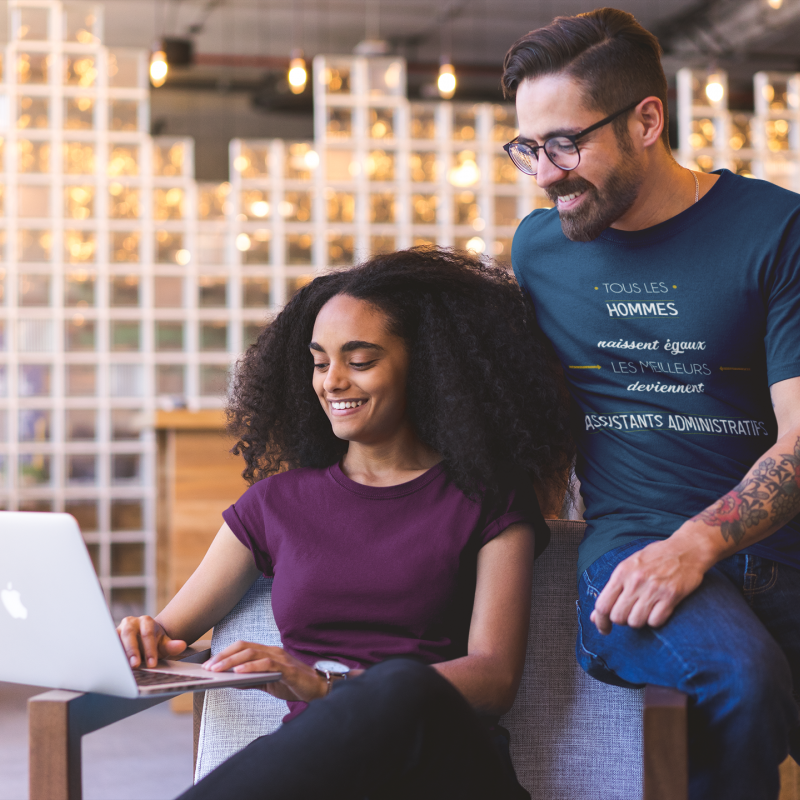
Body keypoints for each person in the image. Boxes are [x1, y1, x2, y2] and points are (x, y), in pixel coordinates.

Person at [117, 248, 573, 800]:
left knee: (401, 680)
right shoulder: (274, 505)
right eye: (319, 361)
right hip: (326, 772)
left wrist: (330, 685)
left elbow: (495, 678)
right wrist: (143, 636)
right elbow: (169, 634)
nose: (333, 381)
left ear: (426, 369)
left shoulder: (487, 500)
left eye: (359, 361)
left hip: (445, 764)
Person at [502, 8, 800, 799]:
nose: (544, 173)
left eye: (565, 143)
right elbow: (524, 419)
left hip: (776, 547)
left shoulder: (777, 231)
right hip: (632, 546)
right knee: (739, 678)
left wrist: (698, 543)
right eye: (527, 148)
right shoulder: (538, 249)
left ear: (645, 120)